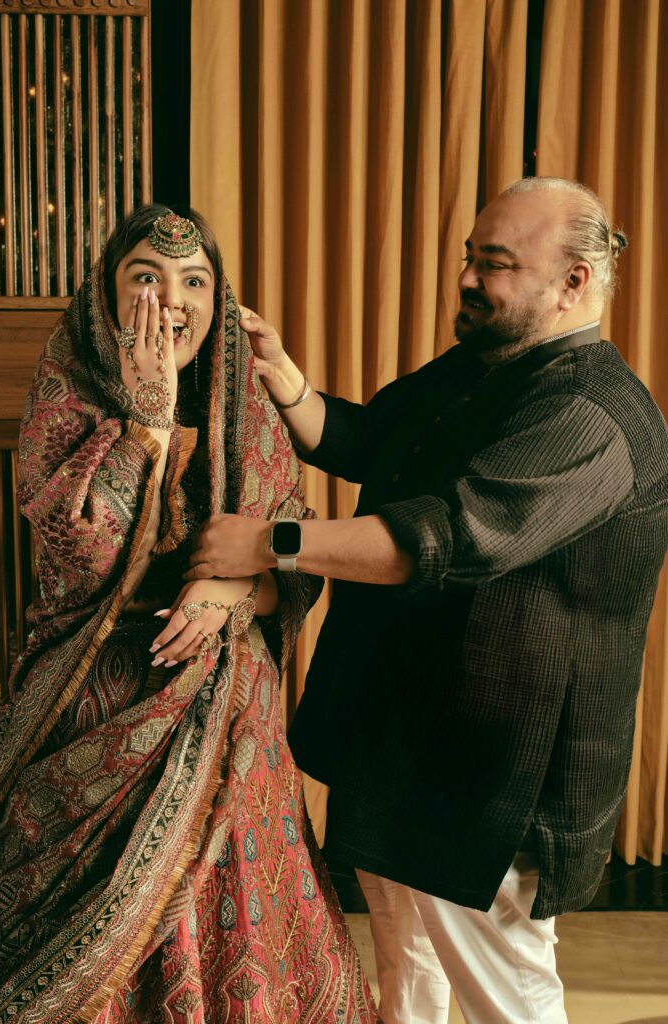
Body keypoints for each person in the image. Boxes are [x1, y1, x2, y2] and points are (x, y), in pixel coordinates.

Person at [187, 178, 668, 1024]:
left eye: (496, 264)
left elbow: (446, 539)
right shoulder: (485, 361)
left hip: (491, 776)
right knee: (407, 971)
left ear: (574, 282)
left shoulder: (592, 414)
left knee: (506, 1001)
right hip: (407, 745)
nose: (468, 279)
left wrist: (269, 543)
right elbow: (375, 442)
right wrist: (284, 379)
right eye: (469, 257)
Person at [0, 205, 380, 1024]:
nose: (171, 300)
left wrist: (235, 590)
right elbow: (80, 557)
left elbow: (297, 565)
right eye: (146, 277)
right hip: (96, 688)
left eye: (194, 281)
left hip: (230, 699)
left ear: (219, 298)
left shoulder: (245, 404)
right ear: (107, 295)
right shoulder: (67, 394)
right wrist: (145, 424)